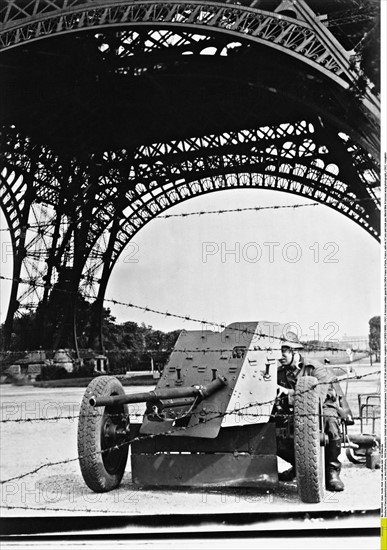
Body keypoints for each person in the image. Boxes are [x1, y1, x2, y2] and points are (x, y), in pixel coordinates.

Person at [276, 331, 345, 492]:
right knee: (275, 432)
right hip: (293, 410)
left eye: (284, 351)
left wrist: (288, 393)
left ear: (295, 351)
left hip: (323, 407)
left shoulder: (315, 368)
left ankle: (331, 472)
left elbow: (317, 399)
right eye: (278, 352)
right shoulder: (279, 373)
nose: (280, 356)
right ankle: (300, 466)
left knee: (331, 426)